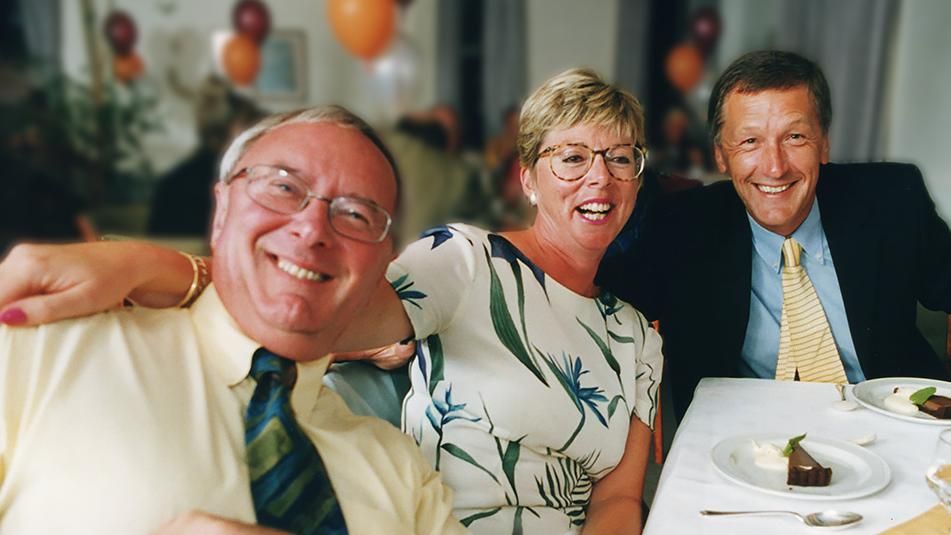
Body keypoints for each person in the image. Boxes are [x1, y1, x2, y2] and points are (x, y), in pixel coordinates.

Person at [0, 69, 663, 534]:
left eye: (617, 157)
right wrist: (157, 266)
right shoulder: (467, 263)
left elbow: (617, 498)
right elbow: (313, 296)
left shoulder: (636, 336)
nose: (598, 176)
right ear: (526, 177)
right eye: (571, 157)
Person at [0, 105, 463, 534]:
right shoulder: (47, 348)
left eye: (357, 214)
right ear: (221, 211)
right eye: (283, 187)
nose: (313, 229)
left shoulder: (400, 472)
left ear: (383, 261)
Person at [600, 50, 951, 418]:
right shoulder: (682, 226)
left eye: (795, 137)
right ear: (721, 155)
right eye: (750, 141)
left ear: (824, 144)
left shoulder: (892, 198)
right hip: (744, 444)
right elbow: (598, 299)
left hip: (896, 427)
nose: (775, 166)